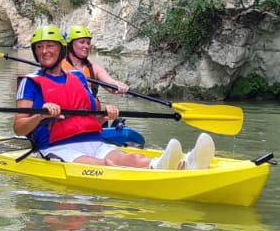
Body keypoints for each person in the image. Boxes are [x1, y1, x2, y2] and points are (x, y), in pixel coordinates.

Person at [16, 25, 213, 170]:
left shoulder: (78, 78)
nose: (44, 51)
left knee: (132, 159)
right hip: (58, 147)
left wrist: (105, 116)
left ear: (61, 50)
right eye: (40, 47)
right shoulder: (31, 82)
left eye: (50, 46)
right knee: (106, 165)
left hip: (93, 140)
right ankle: (165, 169)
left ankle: (185, 164)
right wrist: (40, 116)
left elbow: (91, 120)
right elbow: (19, 127)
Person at [60, 25, 130, 98]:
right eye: (82, 42)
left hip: (89, 109)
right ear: (70, 45)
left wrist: (117, 85)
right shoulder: (58, 67)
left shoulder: (95, 69)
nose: (86, 46)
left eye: (88, 43)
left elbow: (109, 83)